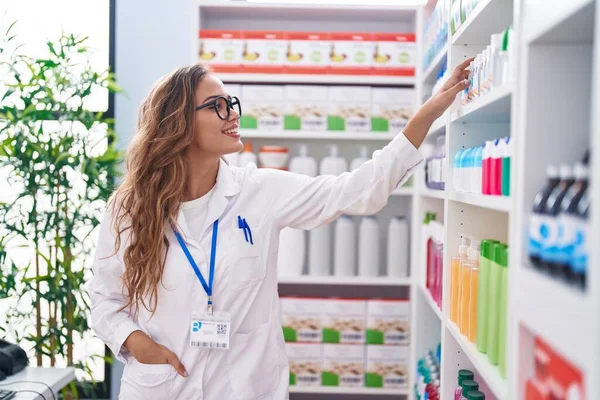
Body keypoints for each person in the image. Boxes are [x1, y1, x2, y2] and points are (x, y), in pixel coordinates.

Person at [88, 59, 472, 399]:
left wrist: (429, 112)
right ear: (179, 124)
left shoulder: (260, 191)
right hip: (164, 386)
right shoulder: (130, 208)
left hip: (243, 387)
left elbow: (357, 191)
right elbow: (105, 298)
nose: (232, 114)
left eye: (232, 103)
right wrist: (138, 344)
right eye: (216, 106)